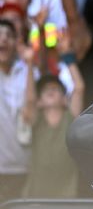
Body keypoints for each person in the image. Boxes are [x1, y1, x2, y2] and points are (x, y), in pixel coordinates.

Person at [21, 29, 84, 198]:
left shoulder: (71, 117)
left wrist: (67, 57)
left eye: (56, 89)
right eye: (45, 90)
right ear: (39, 102)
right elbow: (29, 100)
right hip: (36, 196)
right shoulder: (36, 119)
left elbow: (79, 88)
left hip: (68, 195)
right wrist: (28, 64)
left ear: (65, 99)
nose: (50, 90)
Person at [0, 19, 37, 203]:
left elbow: (30, 115)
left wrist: (30, 64)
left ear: (16, 42)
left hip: (23, 165)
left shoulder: (26, 72)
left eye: (9, 36)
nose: (3, 39)